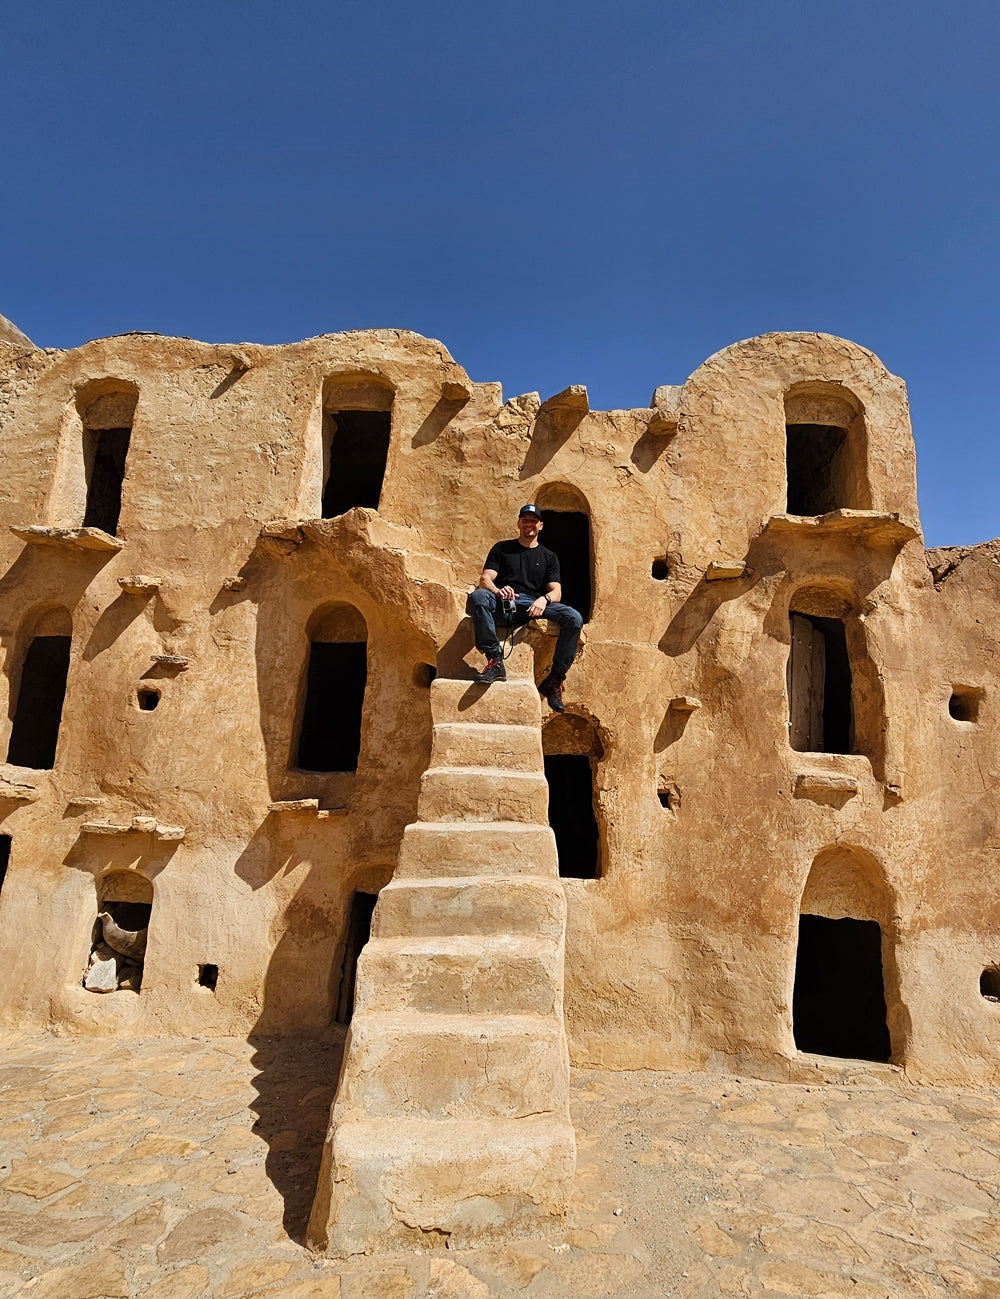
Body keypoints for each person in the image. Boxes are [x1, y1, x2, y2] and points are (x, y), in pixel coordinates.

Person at [466, 504, 583, 712]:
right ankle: (495, 661)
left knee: (573, 618)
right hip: (504, 603)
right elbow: (485, 579)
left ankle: (554, 681)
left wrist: (544, 600)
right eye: (525, 520)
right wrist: (498, 590)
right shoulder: (502, 548)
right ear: (519, 523)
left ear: (541, 525)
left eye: (533, 521)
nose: (529, 524)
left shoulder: (548, 557)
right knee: (478, 596)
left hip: (532, 605)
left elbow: (557, 592)